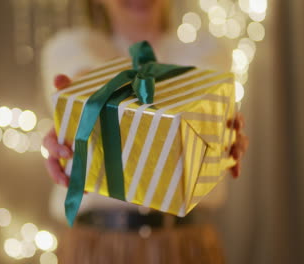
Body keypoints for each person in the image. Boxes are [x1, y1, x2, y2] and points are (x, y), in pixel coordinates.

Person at [41, 0, 249, 263]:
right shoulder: (70, 46)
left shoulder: (207, 49)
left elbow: (205, 106)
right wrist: (81, 112)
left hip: (186, 245)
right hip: (95, 247)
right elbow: (83, 79)